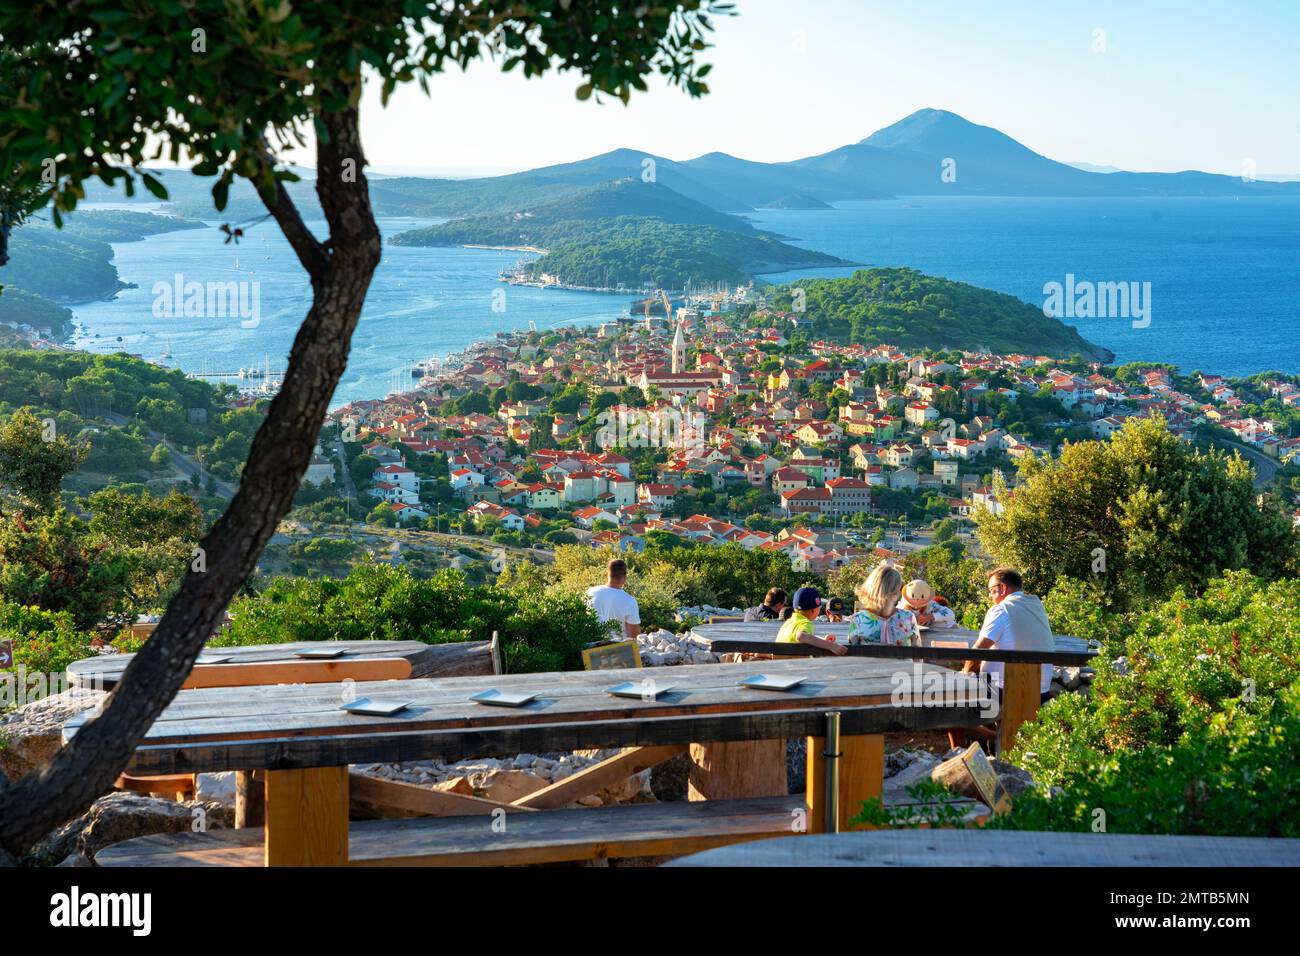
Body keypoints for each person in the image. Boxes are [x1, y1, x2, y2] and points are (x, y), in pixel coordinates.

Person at [961, 567, 1055, 700]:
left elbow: (978, 651)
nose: (989, 596)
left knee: (961, 685)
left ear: (1003, 588)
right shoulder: (1037, 607)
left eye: (991, 590)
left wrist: (965, 675)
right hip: (1040, 692)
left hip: (1005, 691)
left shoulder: (1001, 610)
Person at [847, 563, 917, 646]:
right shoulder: (908, 617)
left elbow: (852, 654)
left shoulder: (857, 619)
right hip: (902, 659)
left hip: (868, 659)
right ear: (896, 591)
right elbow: (917, 653)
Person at [776, 587, 847, 655]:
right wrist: (830, 645)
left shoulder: (789, 622)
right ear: (813, 610)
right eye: (819, 607)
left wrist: (823, 640)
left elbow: (804, 636)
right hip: (796, 665)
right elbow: (801, 636)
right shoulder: (805, 623)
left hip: (780, 664)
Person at [585, 559, 641, 640]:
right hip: (617, 649)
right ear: (625, 576)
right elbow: (634, 636)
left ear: (607, 574)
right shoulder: (630, 601)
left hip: (591, 647)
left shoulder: (590, 592)